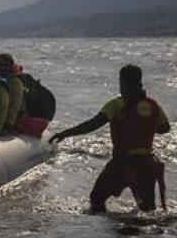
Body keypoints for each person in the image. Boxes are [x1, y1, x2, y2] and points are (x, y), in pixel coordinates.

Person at [50, 64, 170, 213]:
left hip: (121, 164)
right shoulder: (153, 105)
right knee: (148, 209)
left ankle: (108, 231)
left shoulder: (116, 104)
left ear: (123, 83)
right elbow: (165, 128)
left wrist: (64, 134)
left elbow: (93, 124)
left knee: (97, 199)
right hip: (146, 164)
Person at [0, 53, 25, 133]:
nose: (3, 67)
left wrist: (8, 124)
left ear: (11, 65)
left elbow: (15, 105)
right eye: (0, 65)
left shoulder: (15, 81)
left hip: (13, 119)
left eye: (6, 65)